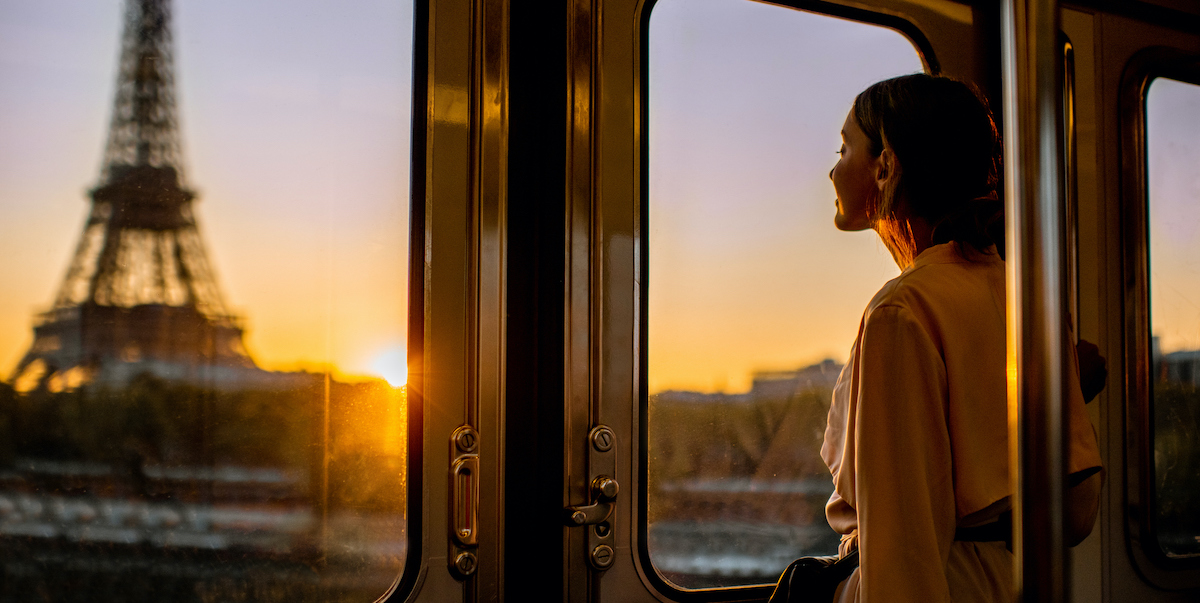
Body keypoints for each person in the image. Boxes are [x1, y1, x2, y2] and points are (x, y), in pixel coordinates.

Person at [819, 74, 1103, 602]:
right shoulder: (1026, 294)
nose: (832, 169)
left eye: (843, 148)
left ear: (886, 166)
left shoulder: (901, 311)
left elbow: (902, 552)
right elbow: (1078, 508)